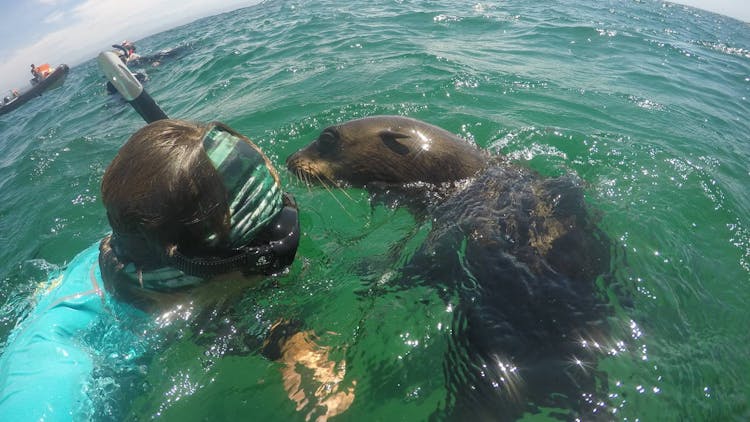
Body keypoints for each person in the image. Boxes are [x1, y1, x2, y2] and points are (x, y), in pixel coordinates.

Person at [0, 119, 354, 420]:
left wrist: (288, 341)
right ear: (193, 274)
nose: (276, 274)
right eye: (272, 258)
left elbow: (215, 311)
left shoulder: (141, 254)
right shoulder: (57, 385)